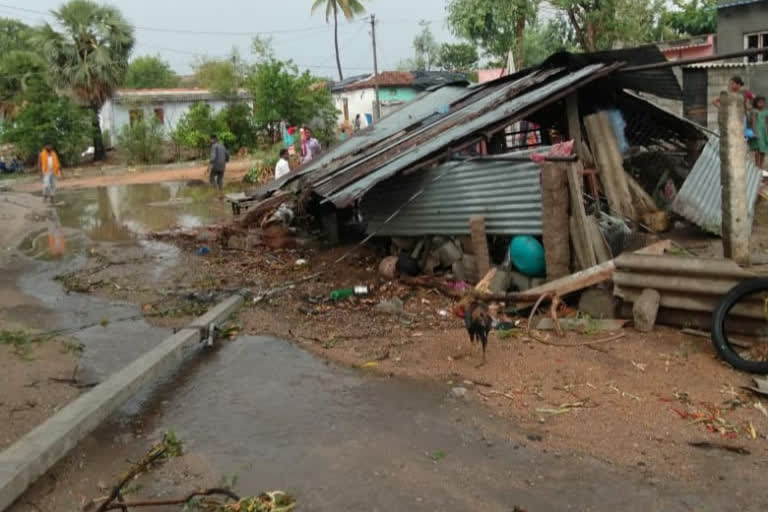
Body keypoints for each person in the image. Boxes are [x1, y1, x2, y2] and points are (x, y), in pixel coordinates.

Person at [750, 96, 768, 169]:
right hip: (757, 131)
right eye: (760, 102)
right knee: (757, 149)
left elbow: (767, 123)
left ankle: (761, 165)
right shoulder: (754, 111)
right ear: (756, 103)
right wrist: (754, 133)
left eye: (763, 102)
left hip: (764, 132)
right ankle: (757, 165)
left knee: (763, 150)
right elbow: (753, 122)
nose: (762, 104)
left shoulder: (766, 112)